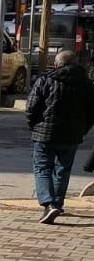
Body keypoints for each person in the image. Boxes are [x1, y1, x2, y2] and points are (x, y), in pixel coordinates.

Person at [25, 48, 94, 223]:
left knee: (42, 169)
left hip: (44, 134)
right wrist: (82, 129)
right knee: (63, 170)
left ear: (56, 64)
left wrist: (33, 125)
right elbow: (92, 112)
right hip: (72, 136)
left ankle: (49, 204)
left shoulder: (45, 80)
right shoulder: (86, 84)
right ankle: (57, 204)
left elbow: (31, 107)